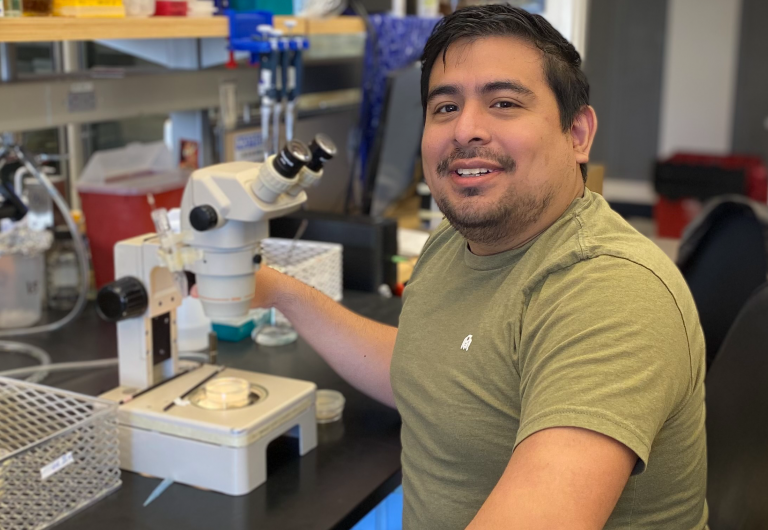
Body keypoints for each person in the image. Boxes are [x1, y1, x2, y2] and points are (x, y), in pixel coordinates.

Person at [205, 5, 708, 528]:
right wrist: (283, 293)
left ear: (577, 134)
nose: (466, 128)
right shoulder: (457, 238)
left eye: (504, 102)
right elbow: (434, 370)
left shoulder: (610, 292)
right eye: (444, 108)